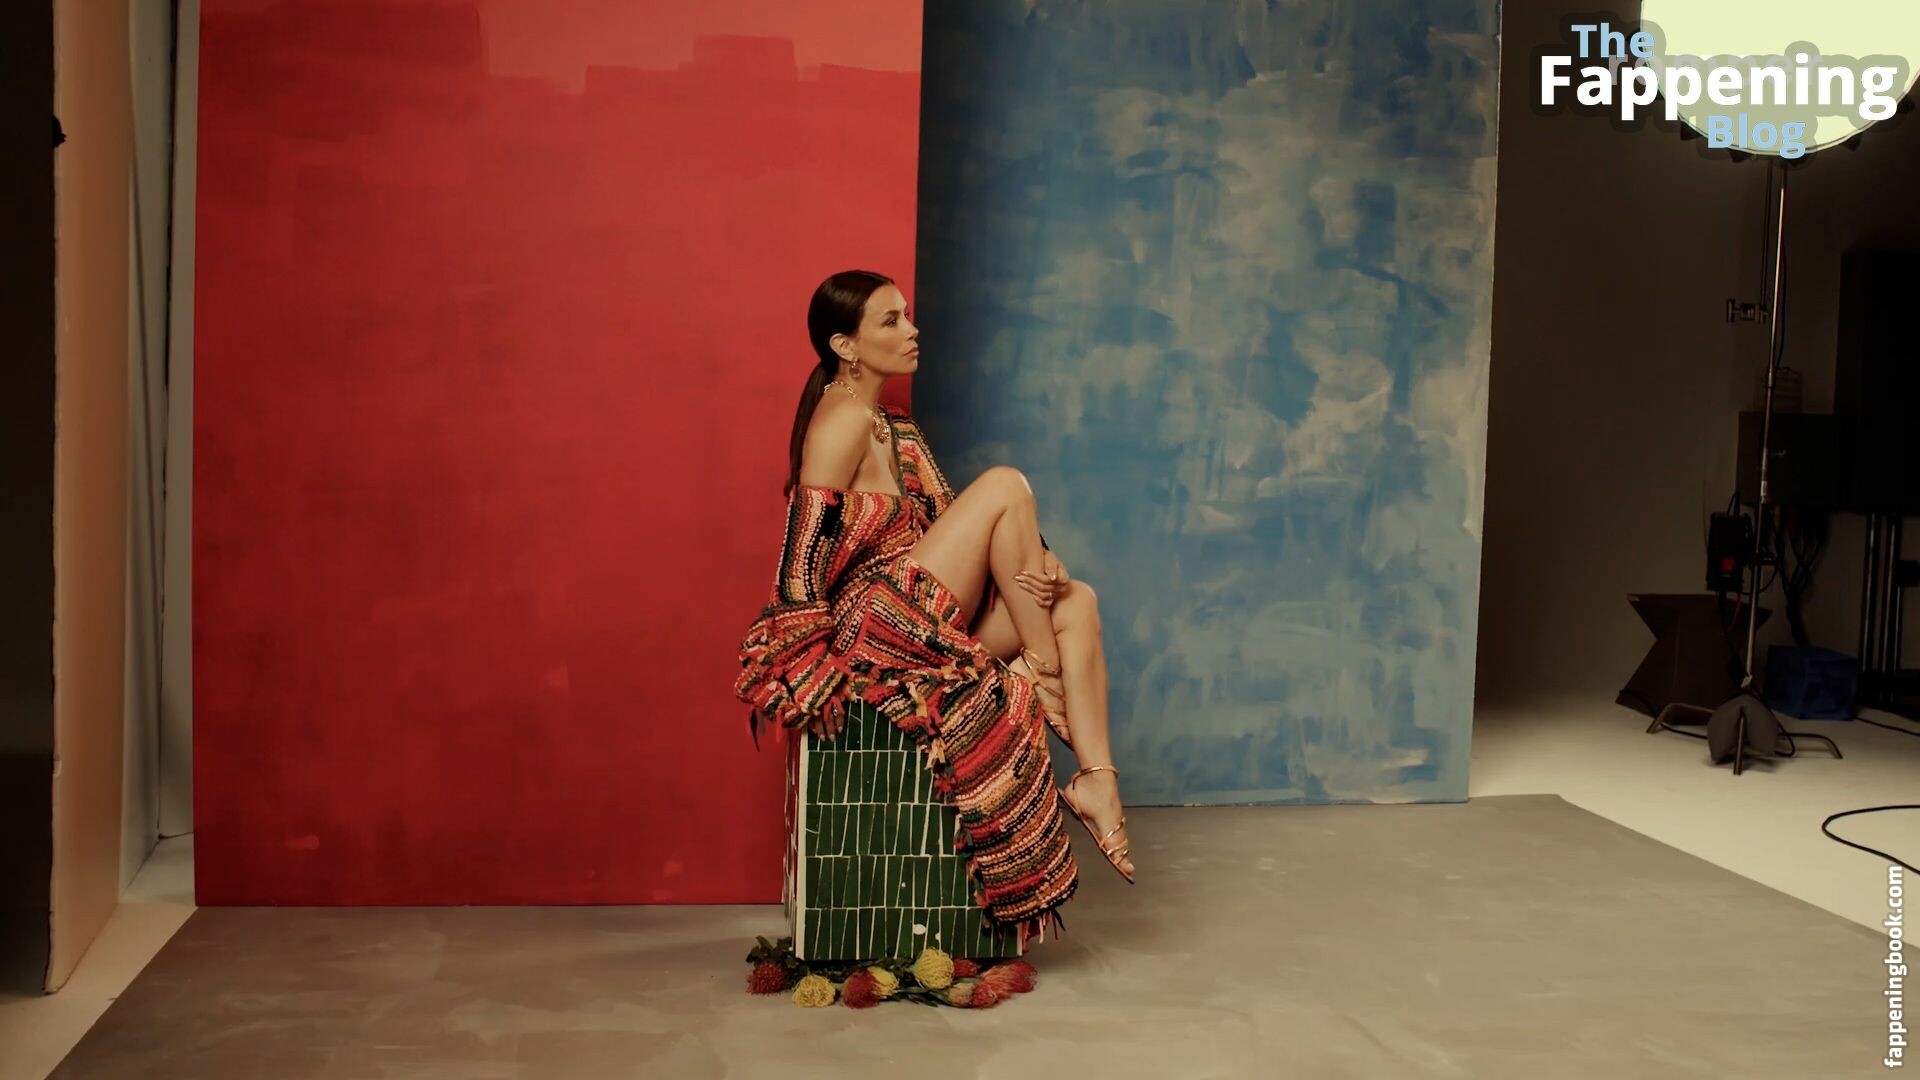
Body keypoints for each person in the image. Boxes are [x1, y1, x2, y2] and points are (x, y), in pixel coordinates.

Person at [735, 269, 1134, 941]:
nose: (912, 331)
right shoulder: (840, 422)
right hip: (874, 627)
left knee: (1076, 601)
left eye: (908, 315)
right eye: (891, 321)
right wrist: (806, 662)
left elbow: (960, 529)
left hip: (923, 616)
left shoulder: (896, 430)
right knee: (1005, 482)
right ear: (845, 346)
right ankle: (1044, 677)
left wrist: (1043, 561)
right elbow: (801, 560)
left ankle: (1096, 780)